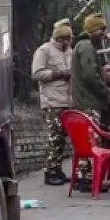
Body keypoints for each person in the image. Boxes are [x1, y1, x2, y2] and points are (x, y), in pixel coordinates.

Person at [71, 12, 110, 193]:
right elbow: (91, 75)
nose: (104, 33)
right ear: (92, 29)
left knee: (84, 142)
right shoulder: (87, 47)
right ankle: (89, 180)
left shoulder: (80, 46)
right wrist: (104, 93)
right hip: (90, 101)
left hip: (82, 100)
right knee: (91, 141)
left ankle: (83, 178)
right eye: (101, 29)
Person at [32, 18, 74, 186]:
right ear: (56, 38)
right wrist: (58, 73)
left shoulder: (70, 52)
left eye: (67, 39)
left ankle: (58, 169)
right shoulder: (44, 51)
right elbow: (37, 74)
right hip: (52, 101)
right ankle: (50, 170)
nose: (65, 42)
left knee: (63, 138)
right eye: (62, 39)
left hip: (68, 100)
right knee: (55, 138)